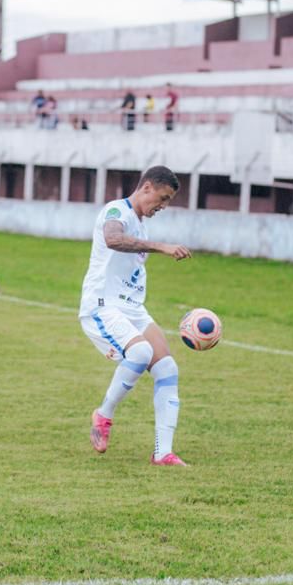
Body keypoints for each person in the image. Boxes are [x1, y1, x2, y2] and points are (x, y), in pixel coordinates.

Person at [80, 166, 192, 466]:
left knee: (168, 368)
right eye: (162, 198)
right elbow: (113, 239)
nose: (163, 206)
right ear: (146, 188)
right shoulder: (116, 211)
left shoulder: (141, 223)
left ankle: (162, 452)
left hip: (131, 307)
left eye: (168, 201)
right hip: (103, 304)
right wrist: (161, 247)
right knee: (140, 351)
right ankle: (103, 415)